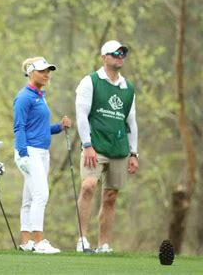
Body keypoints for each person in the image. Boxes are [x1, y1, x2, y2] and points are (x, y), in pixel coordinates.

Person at [75, 40, 139, 253]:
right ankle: (83, 239)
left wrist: (133, 153)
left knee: (111, 197)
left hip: (119, 149)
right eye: (115, 54)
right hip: (95, 146)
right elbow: (82, 115)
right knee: (88, 186)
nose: (120, 57)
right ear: (104, 57)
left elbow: (131, 122)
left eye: (122, 54)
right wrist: (87, 145)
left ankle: (104, 244)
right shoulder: (90, 81)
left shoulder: (128, 88)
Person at [13, 56, 71, 254]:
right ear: (31, 72)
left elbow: (39, 128)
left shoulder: (39, 96)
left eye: (48, 71)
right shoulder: (24, 97)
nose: (47, 74)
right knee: (41, 194)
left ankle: (26, 242)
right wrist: (23, 154)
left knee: (30, 197)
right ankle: (39, 242)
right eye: (42, 71)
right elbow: (19, 127)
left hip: (41, 151)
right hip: (29, 151)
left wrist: (59, 127)